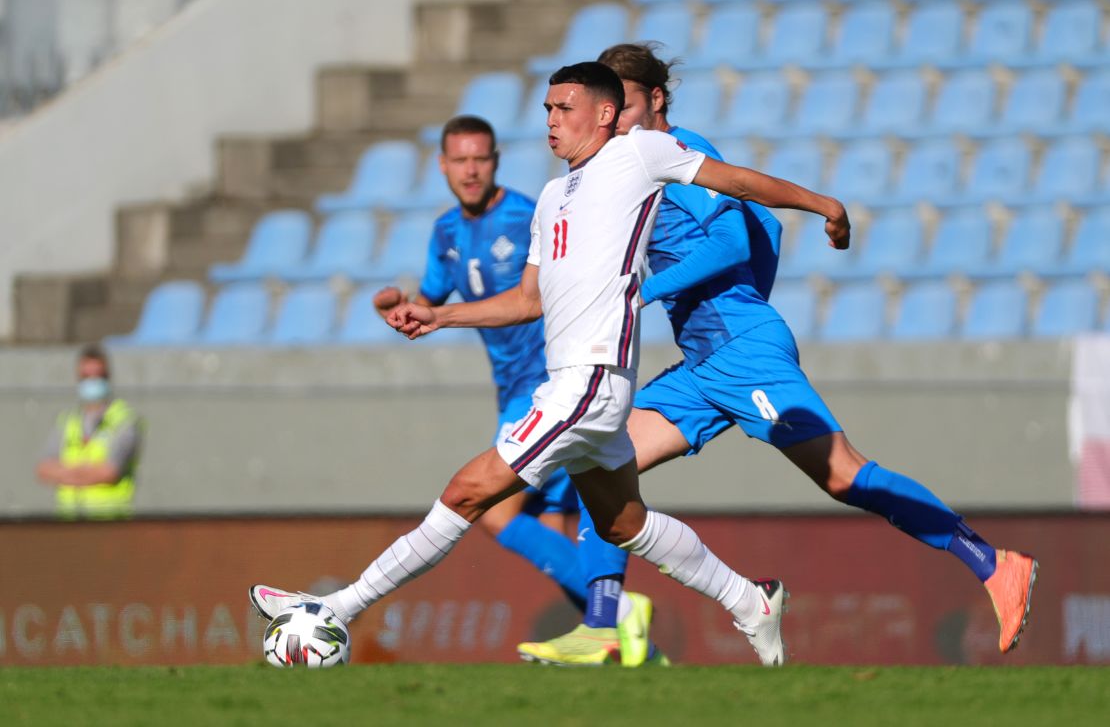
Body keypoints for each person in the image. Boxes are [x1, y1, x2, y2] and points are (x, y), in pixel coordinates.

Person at [250, 61, 851, 667]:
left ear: (606, 113)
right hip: (577, 385)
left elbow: (738, 183)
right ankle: (752, 602)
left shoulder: (640, 153)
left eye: (565, 108)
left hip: (590, 383)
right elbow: (526, 301)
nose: (551, 121)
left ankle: (336, 608)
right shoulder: (552, 195)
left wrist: (822, 203)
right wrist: (438, 317)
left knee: (466, 495)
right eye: (547, 109)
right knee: (623, 524)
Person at [520, 43, 1038, 666]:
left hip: (743, 351)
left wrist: (641, 289)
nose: (615, 121)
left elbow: (736, 238)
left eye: (624, 105)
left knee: (843, 474)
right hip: (702, 367)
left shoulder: (679, 151)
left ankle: (993, 563)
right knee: (600, 463)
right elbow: (764, 232)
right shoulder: (624, 167)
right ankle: (604, 624)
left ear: (655, 101)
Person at [370, 114, 662, 663]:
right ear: (443, 166)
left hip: (551, 384)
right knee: (551, 527)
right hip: (511, 390)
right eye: (460, 160)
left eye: (480, 158)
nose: (471, 170)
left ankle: (622, 614)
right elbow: (432, 300)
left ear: (496, 160)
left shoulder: (530, 215)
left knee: (497, 513)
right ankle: (628, 649)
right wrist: (400, 306)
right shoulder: (446, 233)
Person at [35, 344, 143, 520]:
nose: (92, 382)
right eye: (86, 377)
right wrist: (86, 473)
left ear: (107, 378)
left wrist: (66, 474)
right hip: (69, 521)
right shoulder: (68, 421)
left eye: (98, 376)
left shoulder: (123, 420)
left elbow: (110, 472)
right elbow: (44, 469)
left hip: (110, 522)